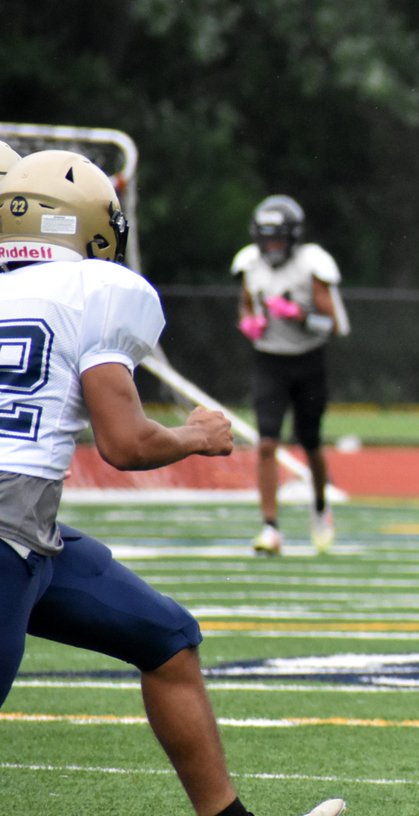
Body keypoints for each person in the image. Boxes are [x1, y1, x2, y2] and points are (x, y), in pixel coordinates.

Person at [0, 149, 345, 816]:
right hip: (8, 529)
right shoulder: (95, 289)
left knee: (165, 637)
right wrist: (198, 436)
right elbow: (124, 442)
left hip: (31, 529)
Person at [232, 194, 349, 556]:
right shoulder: (250, 264)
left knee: (310, 443)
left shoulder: (311, 265)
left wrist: (299, 315)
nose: (272, 247)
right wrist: (250, 324)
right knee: (267, 443)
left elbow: (337, 325)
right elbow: (246, 308)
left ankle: (319, 507)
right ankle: (270, 527)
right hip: (269, 361)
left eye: (279, 239)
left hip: (307, 360)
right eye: (267, 239)